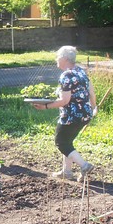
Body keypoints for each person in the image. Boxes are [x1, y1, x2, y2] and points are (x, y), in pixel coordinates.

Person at [33, 46, 96, 180]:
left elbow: (64, 101)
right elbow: (91, 93)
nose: (56, 59)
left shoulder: (66, 75)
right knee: (68, 142)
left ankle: (84, 165)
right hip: (85, 114)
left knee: (61, 142)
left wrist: (45, 106)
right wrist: (93, 108)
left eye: (58, 56)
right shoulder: (81, 72)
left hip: (71, 116)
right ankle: (66, 172)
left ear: (65, 59)